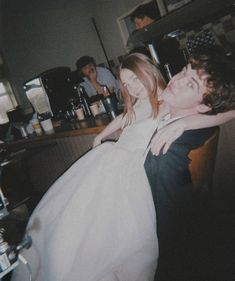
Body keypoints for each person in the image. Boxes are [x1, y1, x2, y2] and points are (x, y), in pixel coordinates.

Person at [11, 53, 166, 281]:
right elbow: (125, 116)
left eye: (135, 78)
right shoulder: (142, 101)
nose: (133, 87)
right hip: (112, 158)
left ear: (148, 70)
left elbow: (222, 110)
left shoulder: (170, 98)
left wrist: (186, 122)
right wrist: (101, 135)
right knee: (71, 214)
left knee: (87, 221)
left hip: (128, 167)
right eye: (127, 83)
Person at [144, 47, 235, 281]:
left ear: (204, 107)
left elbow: (171, 229)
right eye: (185, 71)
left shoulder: (167, 151)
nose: (178, 79)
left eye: (192, 84)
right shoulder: (173, 114)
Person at [130, 2, 185, 80]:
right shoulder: (149, 40)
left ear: (147, 19)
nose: (137, 28)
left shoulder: (165, 37)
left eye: (138, 24)